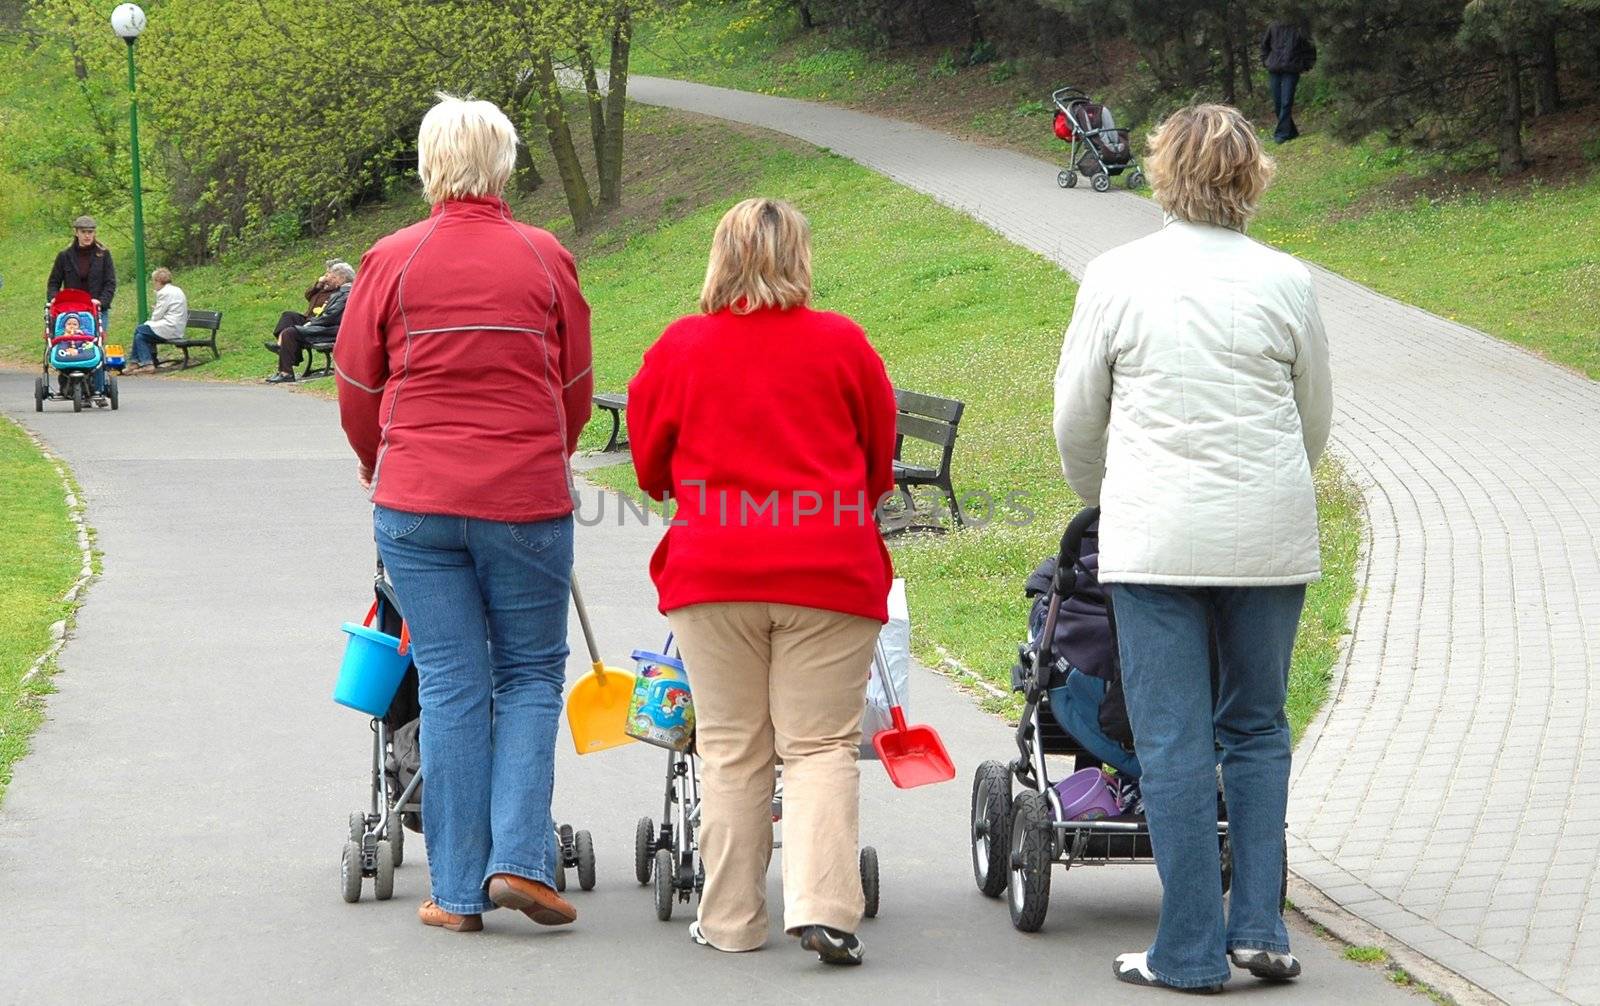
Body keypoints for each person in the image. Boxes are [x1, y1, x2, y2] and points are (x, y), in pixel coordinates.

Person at [1053, 104, 1331, 993]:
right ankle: (1260, 925)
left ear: (1163, 172)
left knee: (1173, 742)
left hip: (1157, 538)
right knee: (1255, 728)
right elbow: (1312, 418)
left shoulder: (1117, 274)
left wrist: (1105, 497)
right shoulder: (1289, 281)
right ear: (1253, 177)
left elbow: (1077, 416)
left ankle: (1188, 950)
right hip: (1267, 536)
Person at [335, 94, 592, 934]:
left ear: (428, 165)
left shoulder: (393, 258)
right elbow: (576, 385)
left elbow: (359, 385)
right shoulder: (545, 256)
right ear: (506, 164)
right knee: (528, 675)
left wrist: (381, 460)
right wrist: (551, 449)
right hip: (524, 497)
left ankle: (453, 893)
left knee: (450, 682)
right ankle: (518, 859)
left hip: (416, 501)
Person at [626, 197, 898, 966]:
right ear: (799, 257)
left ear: (721, 257)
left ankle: (734, 919)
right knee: (818, 746)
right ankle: (823, 907)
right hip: (829, 571)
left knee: (732, 748)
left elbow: (649, 465)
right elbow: (879, 460)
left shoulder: (681, 346)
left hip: (713, 572)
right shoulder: (843, 343)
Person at [265, 262, 354, 383]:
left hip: (334, 329)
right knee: (290, 326)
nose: (330, 279)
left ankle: (286, 373)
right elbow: (318, 304)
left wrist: (311, 323)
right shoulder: (341, 292)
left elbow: (330, 317)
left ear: (342, 278)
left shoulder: (345, 293)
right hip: (329, 326)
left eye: (333, 277)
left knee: (290, 332)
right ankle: (284, 369)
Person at [47, 215, 117, 329]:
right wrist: (54, 299)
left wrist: (101, 302)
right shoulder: (65, 256)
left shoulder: (103, 255)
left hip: (96, 309)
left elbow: (110, 282)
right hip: (71, 310)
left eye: (90, 232)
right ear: (76, 232)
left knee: (95, 343)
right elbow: (53, 283)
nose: (87, 235)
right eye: (83, 232)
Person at [1260, 18, 1316, 143]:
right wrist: (1266, 61)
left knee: (1286, 101)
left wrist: (1305, 65)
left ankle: (1281, 134)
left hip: (1291, 70)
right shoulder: (1273, 26)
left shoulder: (1299, 28)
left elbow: (1310, 48)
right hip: (1274, 69)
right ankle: (1291, 131)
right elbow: (1265, 45)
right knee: (1278, 103)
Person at [265, 264, 342, 352]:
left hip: (318, 322)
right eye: (326, 273)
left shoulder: (337, 292)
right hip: (307, 318)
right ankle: (280, 345)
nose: (326, 276)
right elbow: (308, 295)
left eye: (328, 274)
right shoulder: (323, 288)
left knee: (292, 330)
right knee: (288, 316)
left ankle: (284, 348)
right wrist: (318, 284)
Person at [126, 268, 189, 372]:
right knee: (140, 337)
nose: (153, 284)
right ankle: (147, 363)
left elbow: (157, 316)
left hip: (170, 327)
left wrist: (155, 310)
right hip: (176, 326)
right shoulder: (177, 289)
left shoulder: (164, 292)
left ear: (158, 281)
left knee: (140, 329)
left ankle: (135, 362)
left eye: (154, 281)